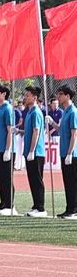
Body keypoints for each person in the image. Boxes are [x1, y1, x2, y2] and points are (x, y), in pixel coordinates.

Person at [20, 86, 48, 217]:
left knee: (37, 180)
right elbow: (30, 131)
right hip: (30, 151)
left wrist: (32, 150)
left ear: (35, 97)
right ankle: (36, 205)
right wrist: (18, 131)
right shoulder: (29, 112)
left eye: (28, 95)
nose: (25, 97)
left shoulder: (36, 112)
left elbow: (36, 132)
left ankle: (40, 207)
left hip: (36, 152)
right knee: (32, 179)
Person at [0, 84, 17, 215]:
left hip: (6, 149)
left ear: (4, 94)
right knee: (0, 177)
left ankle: (9, 204)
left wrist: (8, 149)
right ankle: (3, 203)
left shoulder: (8, 109)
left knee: (6, 178)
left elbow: (10, 131)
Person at [57, 86, 77, 220]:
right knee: (67, 182)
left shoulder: (73, 112)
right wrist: (52, 123)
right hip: (64, 152)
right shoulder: (65, 112)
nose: (58, 97)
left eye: (61, 94)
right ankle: (69, 208)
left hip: (72, 154)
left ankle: (74, 210)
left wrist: (70, 153)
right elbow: (61, 130)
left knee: (72, 183)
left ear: (68, 96)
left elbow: (74, 134)